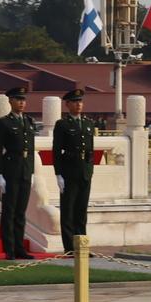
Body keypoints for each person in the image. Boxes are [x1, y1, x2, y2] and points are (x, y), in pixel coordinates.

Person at [0, 87, 36, 260]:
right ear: (10, 101)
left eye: (23, 100)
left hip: (25, 169)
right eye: (18, 99)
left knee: (21, 212)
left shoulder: (28, 121)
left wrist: (32, 171)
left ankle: (20, 248)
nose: (21, 103)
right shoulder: (4, 122)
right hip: (10, 170)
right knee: (9, 211)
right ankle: (9, 249)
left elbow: (31, 149)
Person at [53, 88, 96, 253]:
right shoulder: (62, 124)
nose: (79, 105)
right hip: (69, 172)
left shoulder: (88, 123)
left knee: (81, 211)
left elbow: (91, 149)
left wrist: (90, 169)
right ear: (68, 104)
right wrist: (58, 174)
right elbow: (57, 151)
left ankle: (81, 246)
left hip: (84, 172)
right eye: (75, 102)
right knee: (68, 211)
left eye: (80, 102)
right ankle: (70, 247)